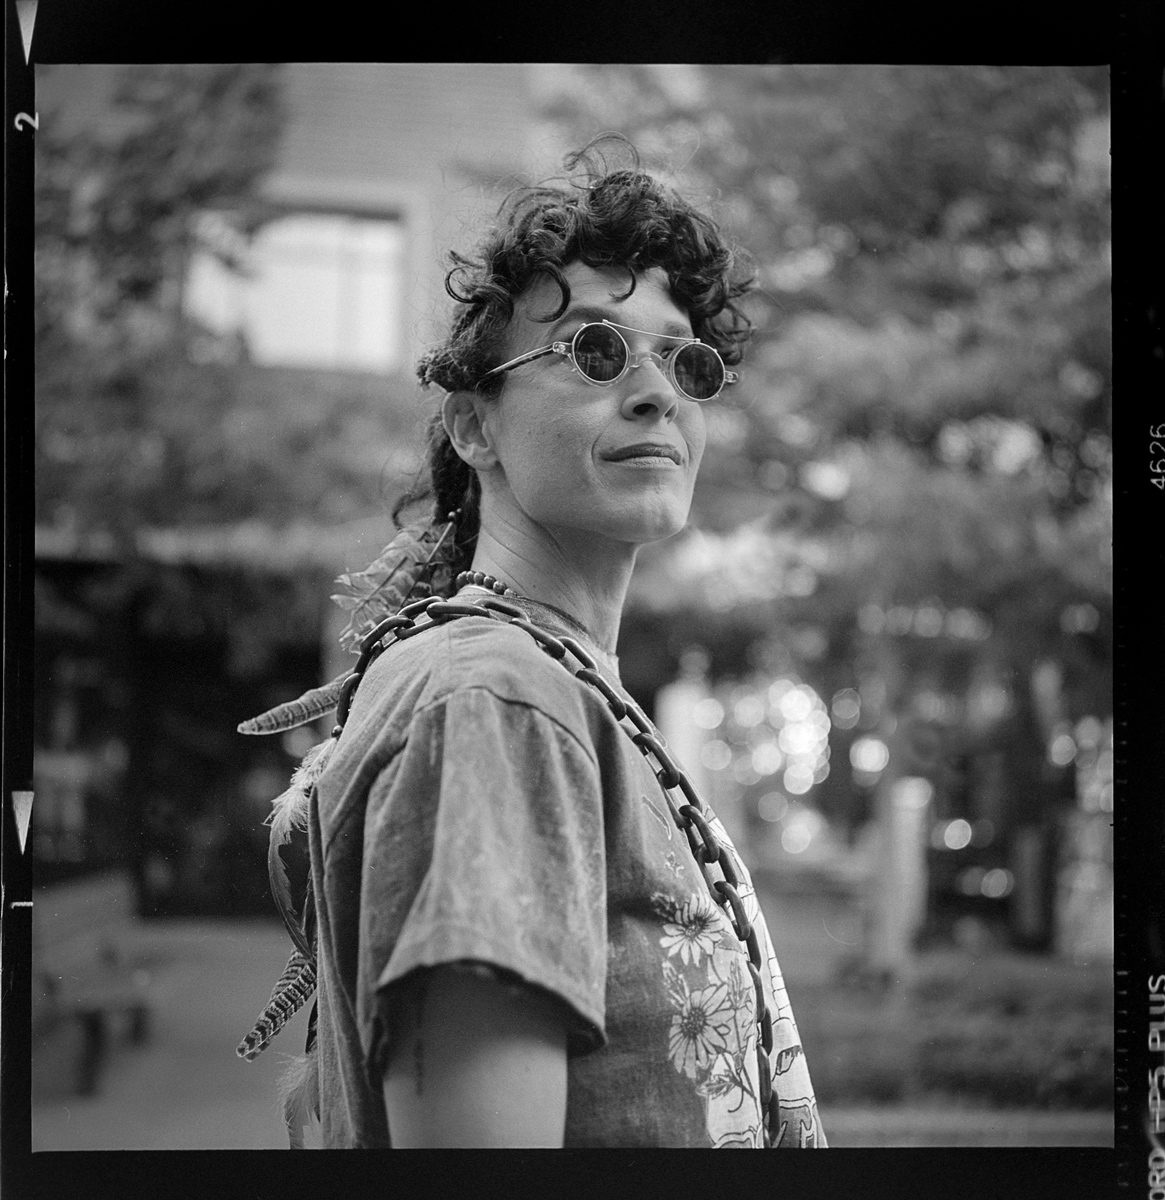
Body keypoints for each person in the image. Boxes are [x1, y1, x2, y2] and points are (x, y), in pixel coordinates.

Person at [236, 135, 828, 1150]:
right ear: (474, 427)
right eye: (594, 351)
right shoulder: (494, 699)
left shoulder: (557, 686)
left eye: (685, 361)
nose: (657, 393)